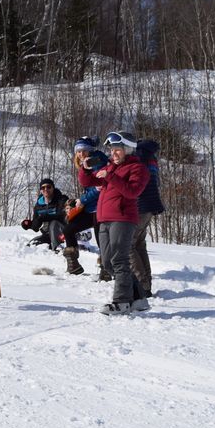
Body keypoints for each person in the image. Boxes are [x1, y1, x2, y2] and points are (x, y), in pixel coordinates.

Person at [80, 131, 150, 314]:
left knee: (119, 260)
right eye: (111, 150)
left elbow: (132, 192)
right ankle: (139, 298)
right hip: (104, 219)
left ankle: (122, 301)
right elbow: (87, 182)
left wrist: (110, 176)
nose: (113, 153)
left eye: (117, 149)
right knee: (108, 263)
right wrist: (85, 169)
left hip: (123, 218)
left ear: (128, 149)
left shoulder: (138, 168)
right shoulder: (110, 167)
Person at [63, 136, 107, 276]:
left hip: (101, 207)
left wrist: (82, 200)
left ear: (90, 150)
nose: (81, 154)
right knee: (69, 229)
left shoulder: (98, 162)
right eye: (78, 151)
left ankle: (106, 269)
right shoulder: (87, 163)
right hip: (90, 207)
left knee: (101, 239)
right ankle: (73, 264)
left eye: (84, 150)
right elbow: (91, 188)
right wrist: (78, 201)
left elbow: (100, 188)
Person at [131, 138, 165, 298]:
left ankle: (142, 285)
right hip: (150, 205)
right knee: (139, 244)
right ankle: (146, 284)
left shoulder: (139, 155)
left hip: (140, 205)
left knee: (128, 245)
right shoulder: (151, 157)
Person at [20, 178, 68, 251]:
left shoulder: (61, 199)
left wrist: (45, 217)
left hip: (63, 233)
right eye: (43, 187)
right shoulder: (39, 205)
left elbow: (62, 216)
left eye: (48, 187)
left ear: (53, 188)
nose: (46, 189)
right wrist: (29, 224)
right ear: (41, 190)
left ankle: (58, 248)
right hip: (48, 234)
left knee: (54, 223)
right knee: (31, 245)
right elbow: (36, 225)